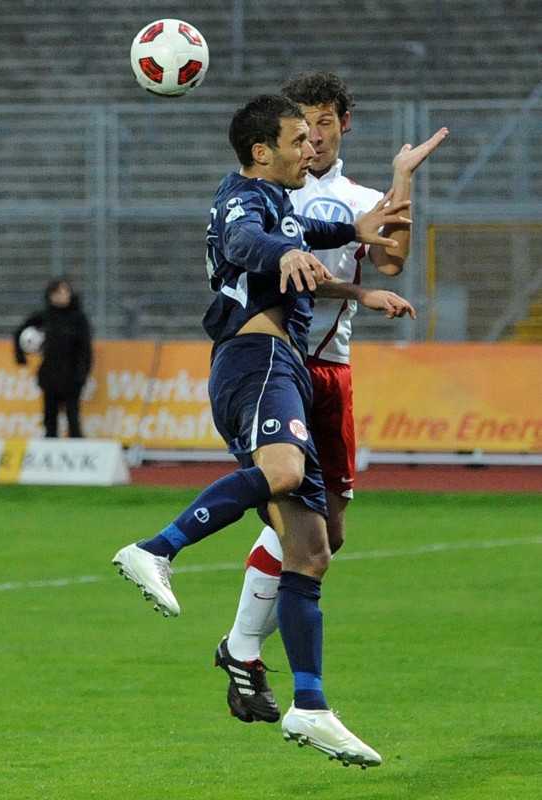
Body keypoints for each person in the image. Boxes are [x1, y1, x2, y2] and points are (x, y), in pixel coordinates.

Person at [113, 92, 415, 768]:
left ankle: (311, 706)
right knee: (282, 473)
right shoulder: (242, 200)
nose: (310, 149)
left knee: (312, 550)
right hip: (257, 361)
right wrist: (284, 252)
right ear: (261, 151)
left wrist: (354, 239)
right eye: (297, 139)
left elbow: (306, 237)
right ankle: (155, 549)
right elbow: (248, 241)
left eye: (314, 137)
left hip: (282, 369)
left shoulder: (279, 203)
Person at [215, 72, 448, 726]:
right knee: (291, 518)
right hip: (275, 362)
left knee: (330, 535)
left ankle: (239, 645)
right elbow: (265, 262)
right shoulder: (273, 189)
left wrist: (402, 178)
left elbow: (393, 260)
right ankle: (242, 646)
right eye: (303, 125)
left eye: (324, 122)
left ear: (344, 123)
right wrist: (353, 287)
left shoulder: (360, 197)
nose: (313, 137)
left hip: (333, 369)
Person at [13, 278, 93, 438]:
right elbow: (20, 331)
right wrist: (20, 355)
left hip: (71, 375)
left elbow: (85, 348)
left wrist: (83, 373)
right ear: (51, 296)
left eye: (65, 292)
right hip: (50, 374)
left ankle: (76, 447)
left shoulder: (78, 319)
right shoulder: (45, 316)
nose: (62, 296)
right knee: (50, 417)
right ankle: (50, 445)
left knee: (73, 417)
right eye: (58, 293)